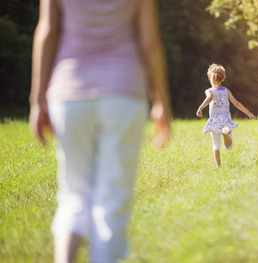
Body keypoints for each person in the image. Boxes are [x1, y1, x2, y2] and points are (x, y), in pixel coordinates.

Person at [29, 0, 171, 262]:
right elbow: (149, 43)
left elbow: (47, 31)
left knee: (74, 194)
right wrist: (161, 101)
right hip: (124, 91)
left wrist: (37, 100)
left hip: (69, 93)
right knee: (111, 203)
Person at [196, 63, 256, 167]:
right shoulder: (226, 91)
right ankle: (225, 134)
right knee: (229, 147)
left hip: (214, 121)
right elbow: (237, 103)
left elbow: (209, 98)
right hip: (225, 120)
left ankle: (219, 167)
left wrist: (200, 107)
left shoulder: (209, 91)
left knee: (216, 145)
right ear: (223, 78)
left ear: (210, 78)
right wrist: (249, 113)